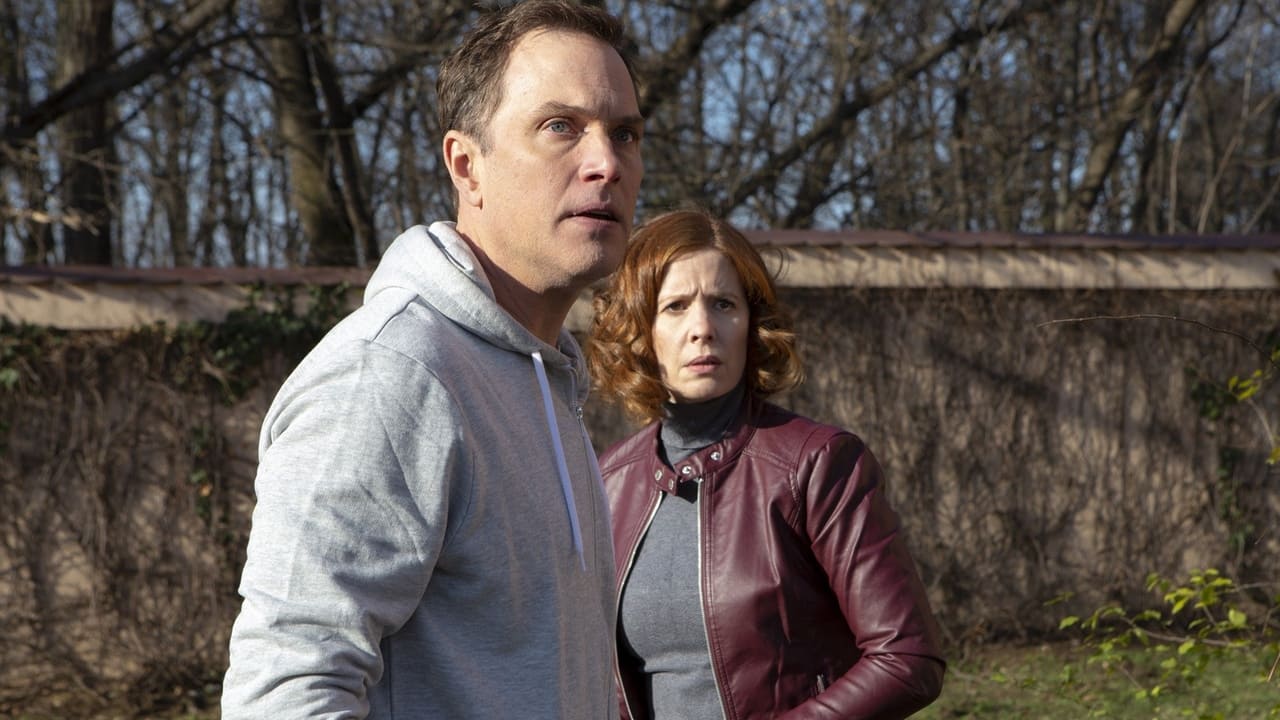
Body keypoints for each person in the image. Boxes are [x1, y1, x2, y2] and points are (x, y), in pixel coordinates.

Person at [221, 1, 644, 717]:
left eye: (625, 133)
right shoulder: (389, 373)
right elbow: (285, 695)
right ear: (466, 165)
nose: (606, 163)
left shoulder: (550, 380)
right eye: (559, 126)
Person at [587, 209, 945, 719]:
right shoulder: (609, 481)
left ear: (752, 325)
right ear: (640, 331)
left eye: (723, 304)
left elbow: (907, 658)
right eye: (675, 306)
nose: (702, 328)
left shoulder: (817, 465)